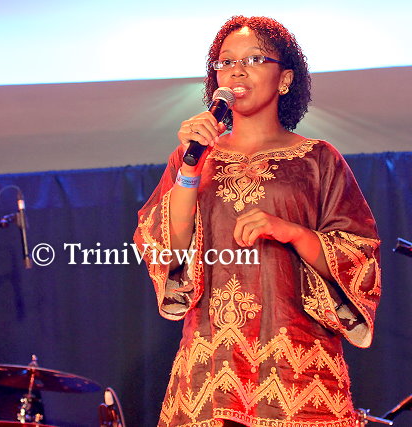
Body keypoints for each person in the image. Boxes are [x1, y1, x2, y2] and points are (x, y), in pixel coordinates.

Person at [134, 16, 380, 427]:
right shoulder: (192, 157)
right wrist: (190, 168)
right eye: (226, 62)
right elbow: (168, 251)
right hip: (213, 359)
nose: (236, 70)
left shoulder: (318, 159)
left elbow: (359, 257)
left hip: (297, 359)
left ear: (285, 79)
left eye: (253, 59)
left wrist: (292, 232)